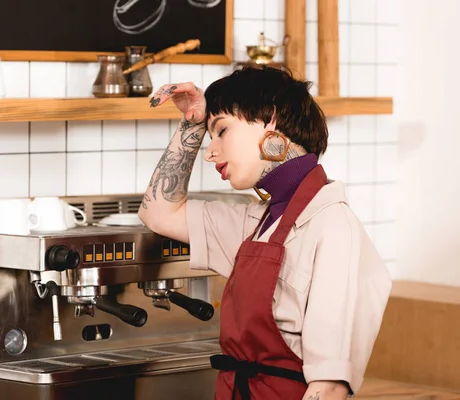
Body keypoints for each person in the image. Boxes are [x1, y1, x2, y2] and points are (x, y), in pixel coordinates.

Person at [138, 66, 392, 400]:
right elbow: (158, 212)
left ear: (269, 119)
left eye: (222, 131)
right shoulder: (258, 224)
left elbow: (329, 386)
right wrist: (192, 122)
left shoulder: (333, 228)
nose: (210, 152)